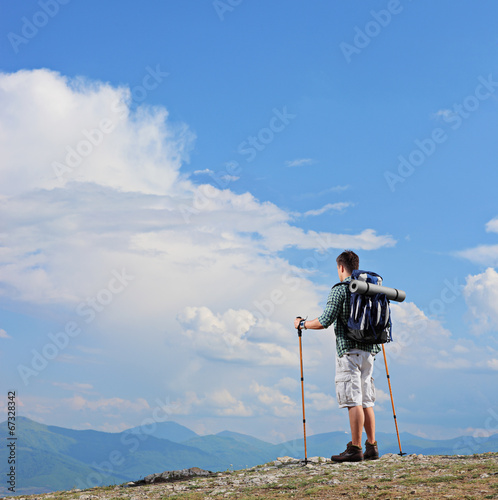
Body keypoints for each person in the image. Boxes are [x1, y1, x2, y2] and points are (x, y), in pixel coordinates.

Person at [294, 250, 380, 462]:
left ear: (341, 267)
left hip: (348, 351)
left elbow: (324, 320)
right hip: (370, 352)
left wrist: (302, 324)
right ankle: (371, 446)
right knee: (367, 401)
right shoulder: (370, 290)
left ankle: (355, 449)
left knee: (354, 401)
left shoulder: (341, 290)